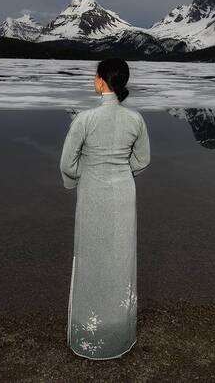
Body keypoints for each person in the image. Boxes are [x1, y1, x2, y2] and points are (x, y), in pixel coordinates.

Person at [59, 57, 151, 360]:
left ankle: (88, 332)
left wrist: (84, 174)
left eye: (95, 75)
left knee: (91, 257)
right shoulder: (135, 119)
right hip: (124, 193)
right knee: (121, 257)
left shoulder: (84, 119)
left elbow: (67, 164)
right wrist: (121, 171)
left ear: (101, 80)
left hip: (93, 194)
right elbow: (143, 160)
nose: (93, 79)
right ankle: (119, 333)